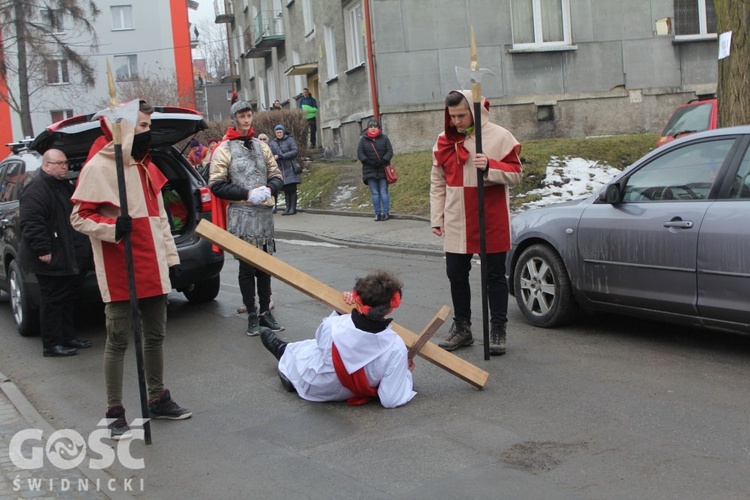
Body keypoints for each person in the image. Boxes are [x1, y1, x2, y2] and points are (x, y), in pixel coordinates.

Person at [70, 100, 192, 440]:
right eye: (141, 126)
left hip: (152, 264)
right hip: (119, 264)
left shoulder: (144, 166)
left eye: (148, 127)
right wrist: (111, 226)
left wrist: (172, 261)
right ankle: (114, 411)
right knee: (118, 339)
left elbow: (160, 222)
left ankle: (157, 397)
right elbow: (79, 216)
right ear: (122, 127)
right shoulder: (98, 166)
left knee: (155, 336)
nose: (147, 132)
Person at [431, 90, 522, 356]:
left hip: (490, 215)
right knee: (456, 274)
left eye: (461, 115)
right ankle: (463, 328)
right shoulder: (443, 140)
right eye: (452, 116)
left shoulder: (499, 136)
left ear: (475, 111)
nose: (456, 121)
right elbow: (437, 183)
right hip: (457, 216)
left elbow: (516, 174)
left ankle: (497, 329)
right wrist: (437, 217)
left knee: (494, 276)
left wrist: (490, 166)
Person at [260, 270, 416, 408]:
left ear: (359, 299)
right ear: (389, 308)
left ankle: (283, 352)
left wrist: (341, 309)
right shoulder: (396, 347)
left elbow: (324, 344)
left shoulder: (333, 325)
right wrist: (404, 373)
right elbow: (390, 399)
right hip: (348, 392)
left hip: (317, 386)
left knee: (310, 349)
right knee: (316, 348)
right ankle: (284, 354)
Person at [209, 100, 285, 336]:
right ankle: (252, 314)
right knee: (246, 267)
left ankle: (265, 312)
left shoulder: (261, 146)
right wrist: (246, 193)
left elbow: (276, 174)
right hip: (241, 214)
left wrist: (270, 189)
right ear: (234, 119)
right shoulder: (223, 149)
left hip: (263, 214)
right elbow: (216, 184)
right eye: (241, 116)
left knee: (265, 266)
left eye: (249, 115)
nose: (246, 120)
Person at [19, 149, 93, 358]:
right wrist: (43, 250)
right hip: (50, 257)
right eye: (59, 163)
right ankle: (52, 345)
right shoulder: (37, 190)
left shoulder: (62, 186)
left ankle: (68, 337)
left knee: (66, 298)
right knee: (52, 300)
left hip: (66, 254)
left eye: (65, 162)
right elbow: (32, 223)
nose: (64, 166)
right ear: (46, 166)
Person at [357, 119, 394, 221]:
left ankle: (385, 212)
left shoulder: (384, 138)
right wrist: (369, 162)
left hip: (383, 169)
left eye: (375, 127)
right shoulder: (363, 140)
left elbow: (389, 151)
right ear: (368, 129)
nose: (373, 128)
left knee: (383, 191)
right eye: (371, 127)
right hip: (369, 169)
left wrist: (383, 161)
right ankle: (377, 213)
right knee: (375, 193)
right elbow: (360, 154)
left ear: (378, 128)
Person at [269, 124, 301, 216]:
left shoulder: (289, 140)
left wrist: (282, 156)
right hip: (281, 169)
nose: (279, 134)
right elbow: (270, 153)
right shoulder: (273, 143)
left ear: (283, 132)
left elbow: (295, 151)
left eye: (280, 132)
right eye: (277, 132)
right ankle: (287, 208)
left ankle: (293, 208)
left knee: (292, 189)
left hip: (290, 167)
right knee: (286, 189)